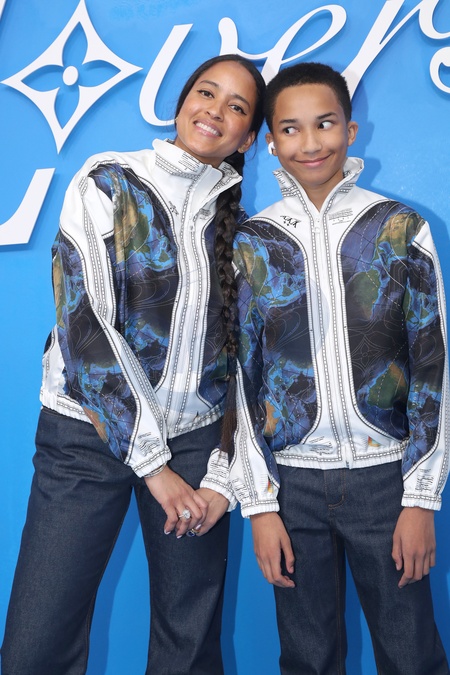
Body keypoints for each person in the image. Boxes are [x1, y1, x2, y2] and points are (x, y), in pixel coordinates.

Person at [1, 54, 265, 675]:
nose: (215, 111)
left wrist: (222, 478)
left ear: (248, 138)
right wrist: (152, 465)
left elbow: (250, 369)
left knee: (188, 646)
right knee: (38, 642)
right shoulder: (107, 182)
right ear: (181, 104)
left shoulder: (246, 236)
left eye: (236, 107)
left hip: (198, 446)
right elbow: (83, 323)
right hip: (86, 438)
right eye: (206, 93)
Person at [229, 62, 449, 674]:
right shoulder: (253, 242)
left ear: (350, 130)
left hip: (386, 480)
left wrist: (420, 498)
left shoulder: (399, 228)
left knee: (411, 653)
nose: (310, 142)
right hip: (293, 486)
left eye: (324, 124)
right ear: (270, 141)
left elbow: (432, 366)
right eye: (291, 129)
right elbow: (242, 381)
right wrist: (261, 506)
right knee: (306, 657)